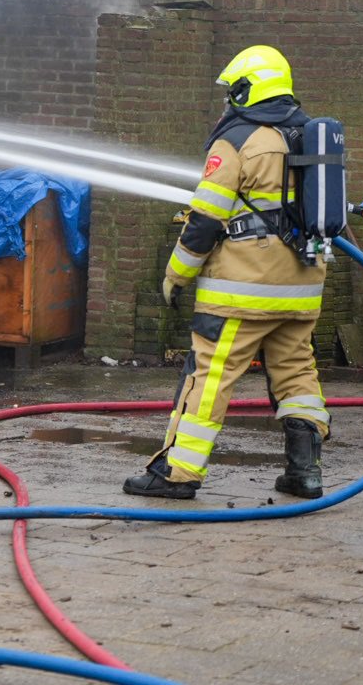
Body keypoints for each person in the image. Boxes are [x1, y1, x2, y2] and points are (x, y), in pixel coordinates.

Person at [125, 45, 330, 500]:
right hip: (302, 288)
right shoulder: (310, 137)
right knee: (297, 375)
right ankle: (305, 472)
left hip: (243, 290)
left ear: (245, 88)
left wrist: (176, 273)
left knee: (209, 376)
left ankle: (176, 473)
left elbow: (204, 220)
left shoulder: (237, 141)